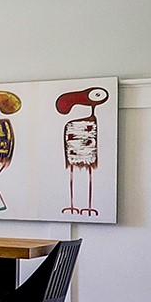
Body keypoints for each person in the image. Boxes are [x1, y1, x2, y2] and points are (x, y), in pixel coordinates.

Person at [57, 86, 108, 216]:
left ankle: (88, 206)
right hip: (75, 146)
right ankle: (73, 205)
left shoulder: (90, 124)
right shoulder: (71, 126)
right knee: (74, 172)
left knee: (87, 172)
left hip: (87, 147)